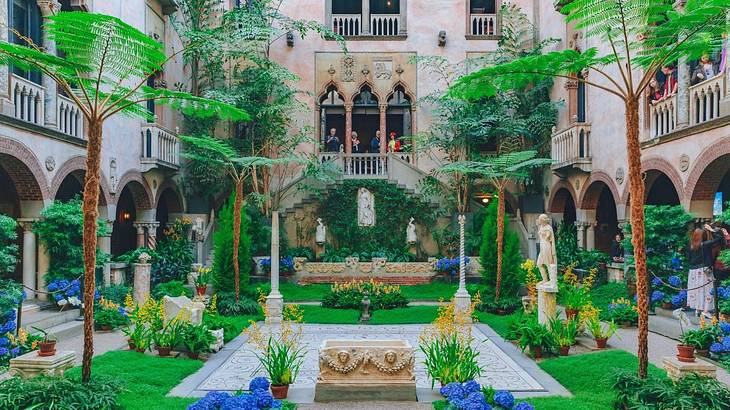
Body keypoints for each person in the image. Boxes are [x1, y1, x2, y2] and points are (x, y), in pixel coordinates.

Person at [686, 224, 726, 316]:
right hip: (704, 270)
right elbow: (720, 238)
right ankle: (705, 311)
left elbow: (688, 258)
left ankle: (697, 310)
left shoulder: (690, 245)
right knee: (708, 290)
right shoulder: (705, 245)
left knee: (696, 291)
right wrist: (712, 230)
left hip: (692, 271)